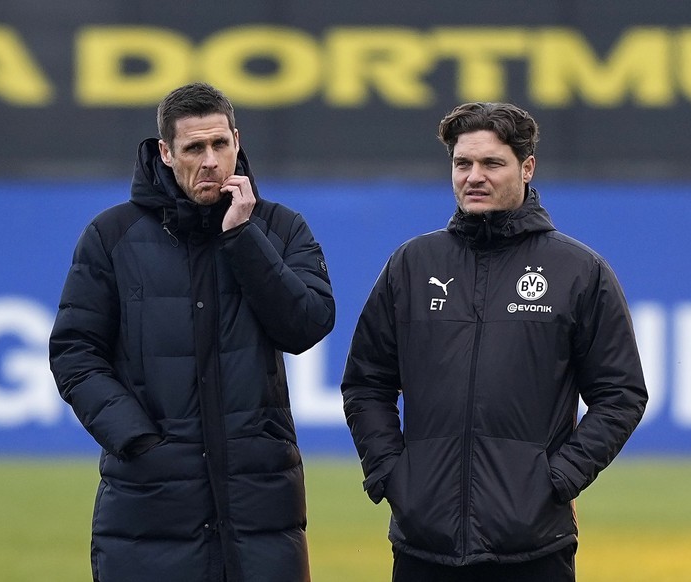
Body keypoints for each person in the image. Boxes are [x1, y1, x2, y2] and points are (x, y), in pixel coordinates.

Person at [341, 102, 648, 581]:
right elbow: (366, 383)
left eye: (492, 163)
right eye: (462, 163)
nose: (473, 176)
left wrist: (557, 479)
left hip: (533, 548)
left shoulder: (578, 271)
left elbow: (621, 395)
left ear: (527, 168)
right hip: (424, 545)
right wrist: (393, 475)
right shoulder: (412, 264)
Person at [49, 82, 335, 582]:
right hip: (150, 502)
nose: (210, 161)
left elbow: (306, 327)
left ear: (237, 141)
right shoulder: (111, 235)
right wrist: (137, 441)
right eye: (193, 148)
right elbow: (75, 353)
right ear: (165, 153)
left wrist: (244, 237)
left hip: (260, 502)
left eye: (220, 145)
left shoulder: (281, 228)